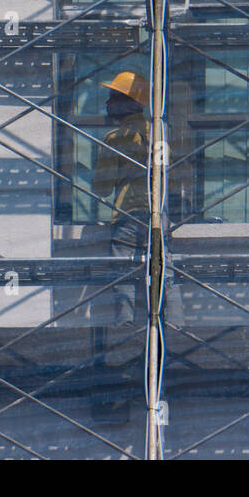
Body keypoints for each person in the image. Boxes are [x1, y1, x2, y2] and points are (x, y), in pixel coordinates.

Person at [94, 70, 152, 326]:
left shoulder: (117, 137)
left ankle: (126, 324)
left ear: (129, 102)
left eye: (113, 98)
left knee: (124, 273)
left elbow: (102, 187)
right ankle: (174, 324)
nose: (107, 104)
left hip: (128, 214)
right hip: (159, 214)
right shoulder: (161, 134)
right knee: (165, 275)